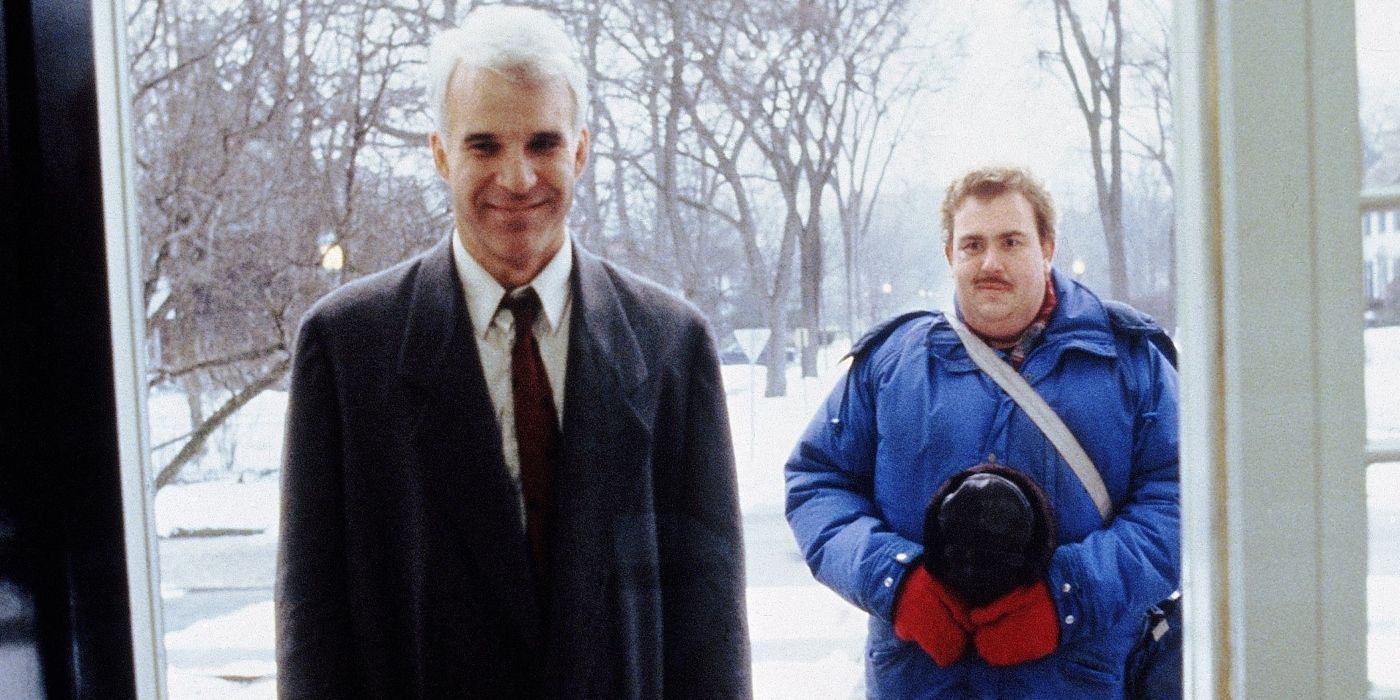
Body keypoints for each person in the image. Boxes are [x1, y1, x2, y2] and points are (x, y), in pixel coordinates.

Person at [275, 7, 750, 698]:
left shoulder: (672, 346)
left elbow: (711, 628)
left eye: (543, 142)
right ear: (440, 153)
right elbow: (312, 627)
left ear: (581, 150)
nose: (519, 178)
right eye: (485, 145)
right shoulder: (346, 349)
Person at [785, 165, 1179, 697]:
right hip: (919, 681)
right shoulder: (890, 366)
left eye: (1011, 242)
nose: (989, 262)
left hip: (1079, 682)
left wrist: (1068, 597)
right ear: (950, 255)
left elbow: (1183, 502)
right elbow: (816, 483)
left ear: (1047, 248)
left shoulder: (1131, 363)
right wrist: (896, 584)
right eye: (972, 245)